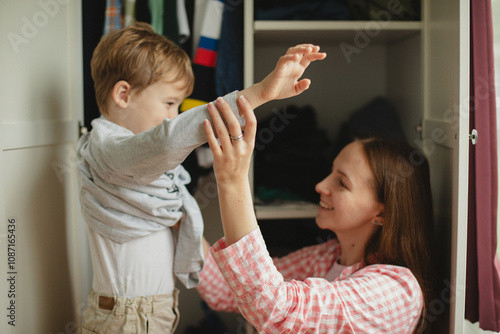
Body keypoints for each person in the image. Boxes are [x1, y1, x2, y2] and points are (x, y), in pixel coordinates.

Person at [77, 22, 326, 333]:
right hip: (127, 318)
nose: (173, 116)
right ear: (124, 94)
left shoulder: (134, 162)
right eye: (169, 104)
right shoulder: (109, 152)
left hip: (149, 311)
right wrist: (260, 93)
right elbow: (168, 140)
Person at [196, 97, 439, 333]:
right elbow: (227, 290)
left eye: (341, 183)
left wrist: (232, 181)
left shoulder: (396, 290)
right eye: (330, 173)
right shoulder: (325, 256)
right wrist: (182, 219)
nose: (320, 186)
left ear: (382, 213)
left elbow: (277, 311)